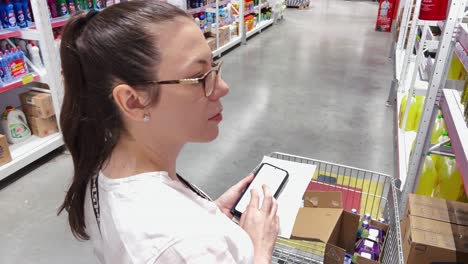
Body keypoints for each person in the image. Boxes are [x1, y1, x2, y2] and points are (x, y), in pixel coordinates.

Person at [57, 1, 279, 263]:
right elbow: (175, 246)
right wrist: (259, 247)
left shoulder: (103, 166)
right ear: (133, 101)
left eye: (213, 66)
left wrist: (212, 217)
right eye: (198, 77)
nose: (222, 87)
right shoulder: (182, 244)